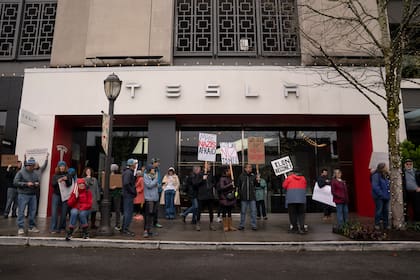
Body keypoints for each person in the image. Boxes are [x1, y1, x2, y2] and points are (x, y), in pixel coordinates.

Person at [14, 157, 41, 235]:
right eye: (32, 166)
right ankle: (20, 227)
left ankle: (31, 227)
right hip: (23, 194)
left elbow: (37, 181)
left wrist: (37, 184)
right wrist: (26, 184)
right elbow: (15, 182)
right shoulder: (20, 172)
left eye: (34, 166)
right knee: (21, 211)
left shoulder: (34, 173)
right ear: (28, 165)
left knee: (32, 211)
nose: (33, 167)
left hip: (33, 195)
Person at [282, 168, 307, 234]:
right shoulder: (303, 178)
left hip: (291, 199)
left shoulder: (289, 178)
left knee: (292, 214)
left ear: (293, 172)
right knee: (301, 214)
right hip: (301, 199)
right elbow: (305, 186)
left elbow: (284, 186)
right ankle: (302, 228)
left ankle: (295, 228)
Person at [50, 161, 72, 233]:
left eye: (63, 166)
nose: (62, 167)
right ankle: (53, 228)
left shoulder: (68, 175)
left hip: (65, 196)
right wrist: (57, 181)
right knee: (54, 212)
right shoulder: (55, 175)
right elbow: (52, 184)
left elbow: (70, 184)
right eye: (60, 166)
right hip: (56, 195)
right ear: (58, 167)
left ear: (65, 167)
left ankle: (62, 227)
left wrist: (66, 180)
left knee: (64, 212)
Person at [237, 164, 258, 231]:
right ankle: (241, 225)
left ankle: (254, 225)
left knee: (253, 211)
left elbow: (257, 185)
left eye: (251, 167)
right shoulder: (241, 176)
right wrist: (240, 194)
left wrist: (258, 180)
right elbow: (239, 186)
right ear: (245, 168)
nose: (250, 168)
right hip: (244, 197)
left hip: (252, 197)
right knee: (243, 212)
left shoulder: (253, 176)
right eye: (248, 167)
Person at [196, 163, 217, 231]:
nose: (210, 166)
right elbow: (195, 183)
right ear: (205, 166)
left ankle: (211, 224)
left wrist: (212, 185)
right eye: (209, 165)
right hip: (202, 195)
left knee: (211, 210)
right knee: (199, 210)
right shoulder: (200, 174)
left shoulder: (210, 174)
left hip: (209, 195)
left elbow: (214, 182)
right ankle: (198, 223)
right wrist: (202, 179)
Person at [371, 162, 391, 230]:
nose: (387, 168)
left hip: (386, 196)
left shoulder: (385, 175)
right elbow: (375, 186)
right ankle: (377, 224)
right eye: (386, 167)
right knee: (379, 210)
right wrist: (381, 194)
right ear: (382, 168)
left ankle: (386, 224)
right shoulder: (376, 175)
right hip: (379, 197)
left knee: (386, 210)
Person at [121, 159, 137, 236]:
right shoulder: (128, 173)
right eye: (134, 163)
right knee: (128, 212)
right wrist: (133, 191)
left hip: (127, 194)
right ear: (131, 164)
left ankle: (124, 228)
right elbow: (126, 183)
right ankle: (125, 229)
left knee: (127, 212)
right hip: (128, 195)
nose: (136, 165)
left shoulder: (128, 172)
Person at [218, 166, 237, 232]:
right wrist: (230, 185)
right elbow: (222, 187)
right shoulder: (222, 179)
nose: (230, 172)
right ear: (226, 172)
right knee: (224, 212)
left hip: (230, 198)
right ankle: (225, 226)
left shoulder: (230, 178)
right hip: (224, 198)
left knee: (229, 212)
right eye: (229, 171)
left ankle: (230, 225)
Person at [143, 164, 159, 238]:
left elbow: (155, 185)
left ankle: (150, 230)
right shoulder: (146, 176)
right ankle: (145, 230)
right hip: (149, 198)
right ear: (149, 169)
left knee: (153, 214)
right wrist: (156, 180)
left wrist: (158, 184)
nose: (154, 170)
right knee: (148, 214)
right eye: (153, 169)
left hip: (155, 198)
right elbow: (149, 185)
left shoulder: (154, 176)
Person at [109, 163, 122, 231]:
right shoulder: (108, 175)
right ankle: (115, 223)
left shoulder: (119, 176)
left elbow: (120, 185)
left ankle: (118, 224)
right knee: (109, 209)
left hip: (116, 194)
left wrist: (116, 186)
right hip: (111, 194)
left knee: (117, 209)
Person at [151, 158, 163, 228]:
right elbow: (150, 181)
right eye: (157, 162)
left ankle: (155, 222)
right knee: (151, 208)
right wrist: (156, 185)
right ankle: (151, 222)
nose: (159, 163)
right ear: (154, 163)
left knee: (156, 208)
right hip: (153, 191)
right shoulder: (151, 170)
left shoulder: (157, 169)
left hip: (158, 191)